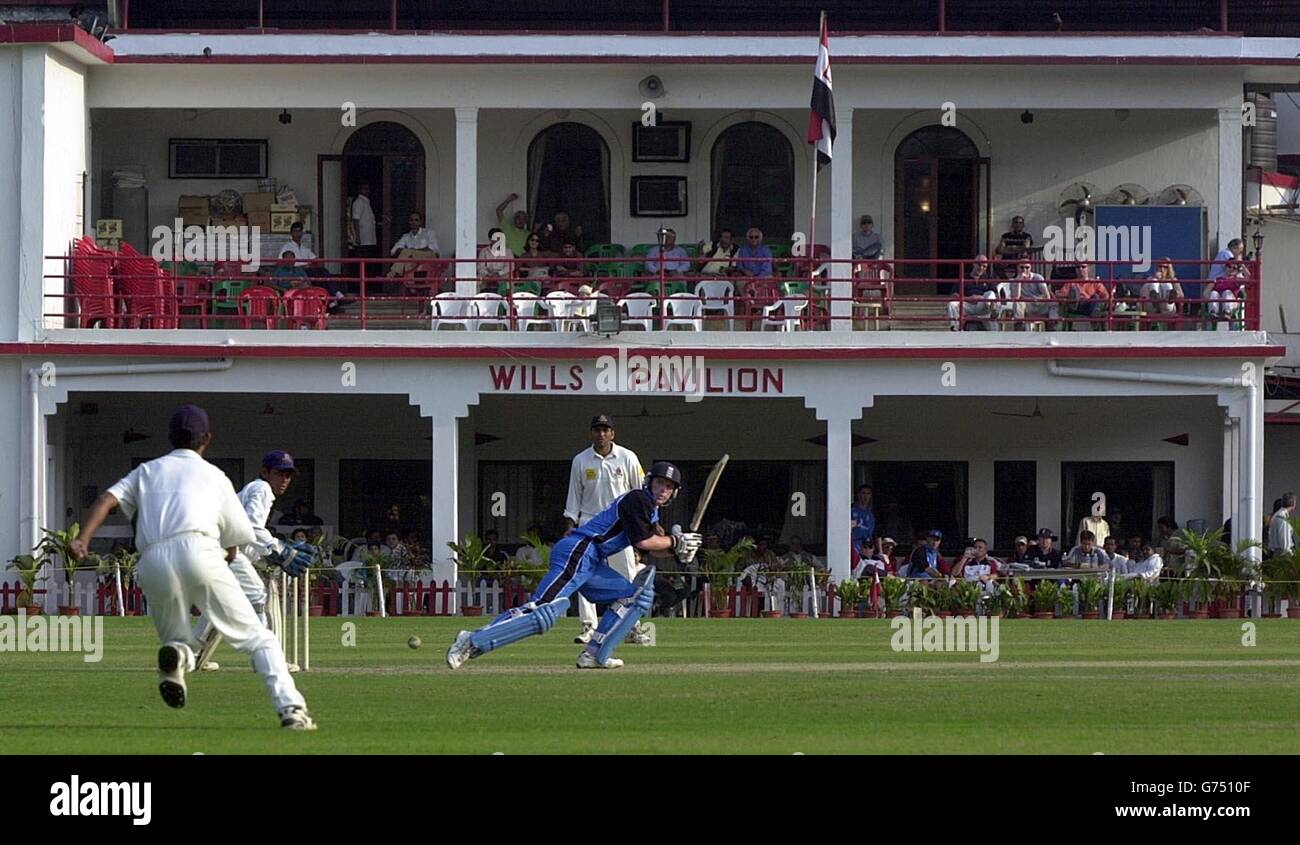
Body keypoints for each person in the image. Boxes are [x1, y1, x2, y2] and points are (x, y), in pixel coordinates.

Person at [68, 406, 317, 729]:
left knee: (177, 640)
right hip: (200, 550)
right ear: (207, 439)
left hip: (153, 562)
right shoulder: (215, 476)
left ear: (170, 438)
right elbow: (234, 539)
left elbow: (105, 500)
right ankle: (292, 710)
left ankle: (181, 659)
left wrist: (82, 540)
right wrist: (237, 556)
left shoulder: (147, 470)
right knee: (260, 638)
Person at [447, 462, 702, 670]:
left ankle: (594, 654)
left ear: (674, 493)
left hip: (592, 560)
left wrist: (681, 551)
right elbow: (644, 541)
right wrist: (675, 541)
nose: (663, 490)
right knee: (545, 611)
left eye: (669, 487)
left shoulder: (650, 511)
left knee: (633, 597)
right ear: (649, 482)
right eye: (660, 483)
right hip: (579, 550)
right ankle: (471, 640)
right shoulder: (638, 499)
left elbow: (654, 545)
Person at [194, 449, 312, 673]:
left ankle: (188, 656)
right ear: (265, 472)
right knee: (258, 595)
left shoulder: (255, 489)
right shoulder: (262, 488)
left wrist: (272, 552)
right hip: (224, 550)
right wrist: (278, 550)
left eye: (288, 475)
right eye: (280, 474)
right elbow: (252, 527)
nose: (284, 480)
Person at [563, 414, 646, 644]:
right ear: (591, 433)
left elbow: (639, 493)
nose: (601, 434)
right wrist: (570, 525)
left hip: (620, 525)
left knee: (628, 576)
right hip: (589, 524)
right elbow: (574, 496)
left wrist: (645, 524)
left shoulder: (627, 457)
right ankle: (589, 627)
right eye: (597, 430)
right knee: (584, 575)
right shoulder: (581, 460)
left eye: (605, 430)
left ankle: (632, 627)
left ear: (612, 433)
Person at [850, 485, 876, 555]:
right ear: (858, 495)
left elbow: (876, 532)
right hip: (854, 545)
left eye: (868, 494)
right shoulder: (851, 509)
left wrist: (880, 551)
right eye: (863, 493)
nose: (865, 496)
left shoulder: (872, 511)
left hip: (867, 546)